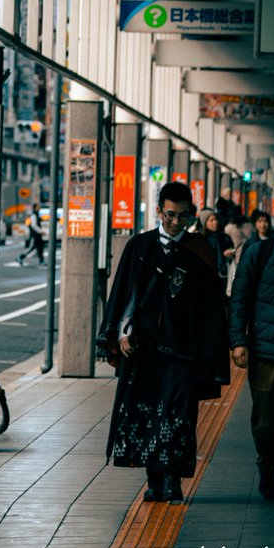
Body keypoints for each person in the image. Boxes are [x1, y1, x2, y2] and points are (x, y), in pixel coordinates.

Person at [97, 182, 230, 504]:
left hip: (185, 351)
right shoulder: (139, 246)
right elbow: (125, 294)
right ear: (159, 211)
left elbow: (211, 307)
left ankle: (173, 481)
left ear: (190, 214)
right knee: (145, 414)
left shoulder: (200, 250)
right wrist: (123, 333)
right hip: (144, 349)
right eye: (170, 215)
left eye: (183, 216)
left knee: (178, 416)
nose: (175, 222)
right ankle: (154, 480)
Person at [229, 187, 274, 507]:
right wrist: (238, 341)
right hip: (264, 346)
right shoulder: (260, 252)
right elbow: (240, 297)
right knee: (264, 421)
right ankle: (268, 467)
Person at [198, 208, 235, 291]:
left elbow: (233, 252)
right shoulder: (201, 239)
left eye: (216, 219)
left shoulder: (225, 237)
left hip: (224, 275)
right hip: (206, 277)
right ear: (205, 224)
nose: (215, 222)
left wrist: (231, 253)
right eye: (211, 221)